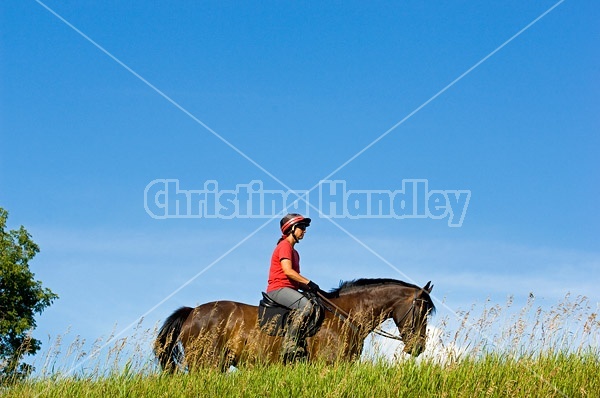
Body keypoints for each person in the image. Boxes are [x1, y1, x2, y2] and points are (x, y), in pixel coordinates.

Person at [266, 213, 320, 362]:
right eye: (301, 227)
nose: (304, 231)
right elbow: (288, 271)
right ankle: (290, 344)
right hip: (278, 289)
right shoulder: (284, 246)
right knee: (306, 307)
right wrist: (309, 282)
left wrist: (313, 289)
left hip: (290, 289)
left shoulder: (295, 252)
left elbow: (296, 278)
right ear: (292, 228)